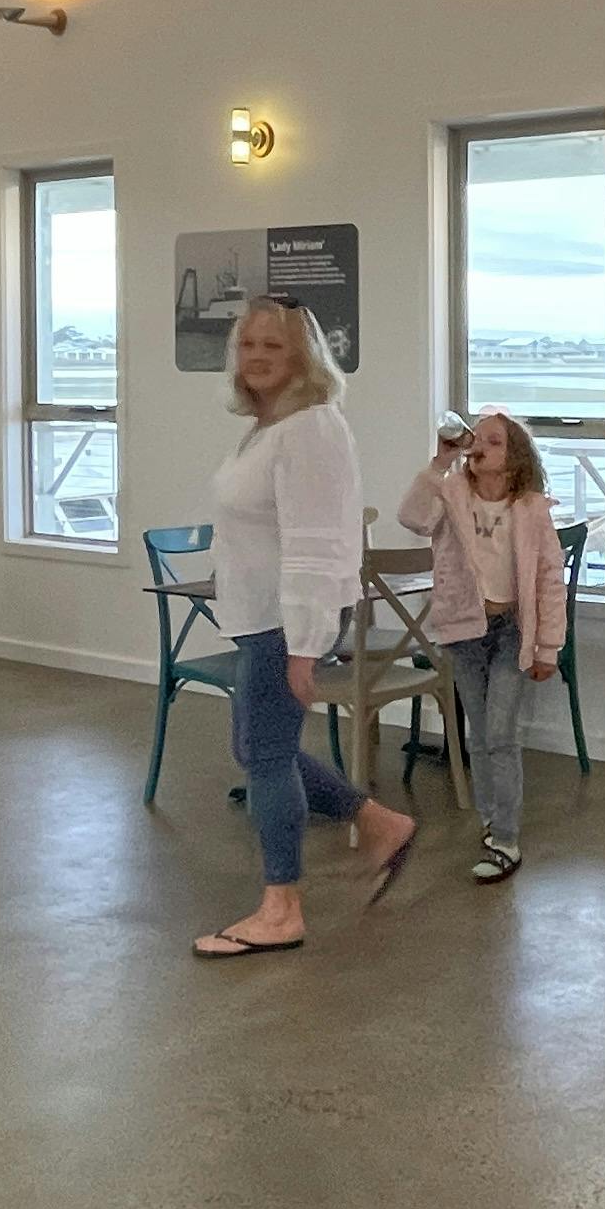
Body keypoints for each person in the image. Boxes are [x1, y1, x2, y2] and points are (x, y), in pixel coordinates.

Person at [191, 300, 414, 957]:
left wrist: (305, 644)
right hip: (259, 616)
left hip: (283, 622)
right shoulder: (270, 427)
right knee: (260, 750)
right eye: (249, 344)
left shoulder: (312, 428)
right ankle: (379, 821)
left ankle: (281, 907)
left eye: (275, 347)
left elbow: (318, 545)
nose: (257, 356)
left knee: (263, 756)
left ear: (304, 358)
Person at [397, 411, 567, 881]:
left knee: (501, 732)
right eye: (477, 438)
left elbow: (551, 581)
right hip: (465, 630)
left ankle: (506, 838)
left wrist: (548, 647)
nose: (480, 447)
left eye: (493, 441)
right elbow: (411, 516)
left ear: (513, 458)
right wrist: (439, 464)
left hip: (513, 628)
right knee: (479, 733)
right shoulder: (450, 494)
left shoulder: (531, 509)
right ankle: (492, 823)